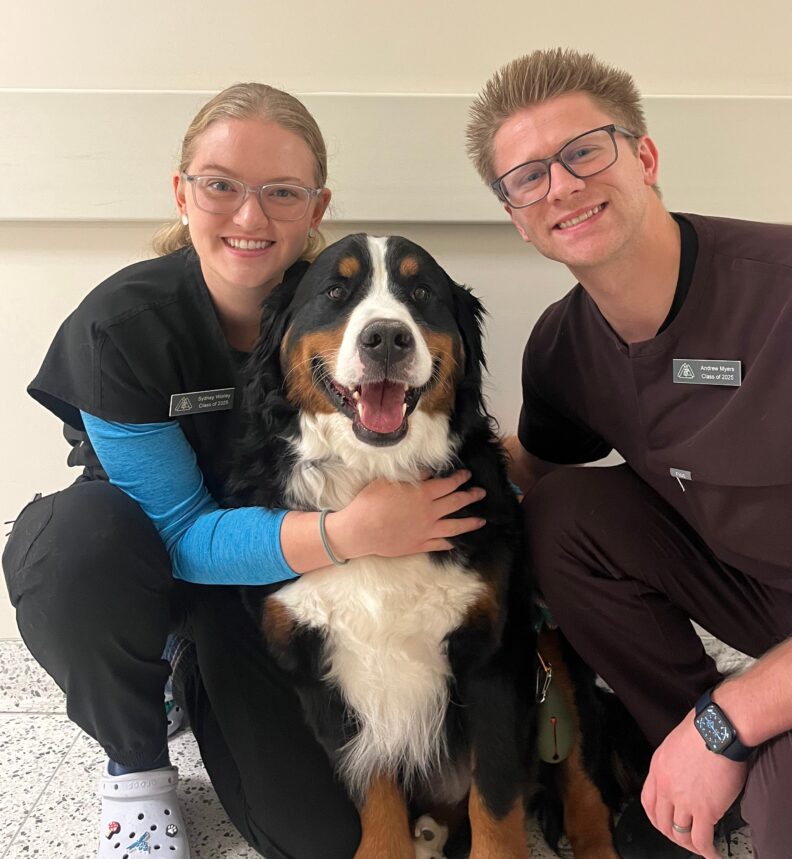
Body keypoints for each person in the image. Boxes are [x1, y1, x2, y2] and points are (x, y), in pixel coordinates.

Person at [2, 82, 487, 859]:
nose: (250, 217)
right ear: (183, 193)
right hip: (155, 561)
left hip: (269, 591)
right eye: (221, 185)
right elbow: (182, 536)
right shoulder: (121, 327)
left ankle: (201, 672)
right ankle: (136, 762)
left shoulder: (346, 309)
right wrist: (351, 532)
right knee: (75, 543)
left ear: (316, 201)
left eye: (281, 192)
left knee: (323, 839)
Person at [465, 48, 792, 859]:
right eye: (529, 176)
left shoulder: (780, 289)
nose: (563, 186)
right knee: (566, 512)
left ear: (644, 157)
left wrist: (738, 710)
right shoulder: (564, 349)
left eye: (583, 151)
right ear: (515, 213)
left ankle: (728, 738)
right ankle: (691, 747)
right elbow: (528, 470)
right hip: (759, 594)